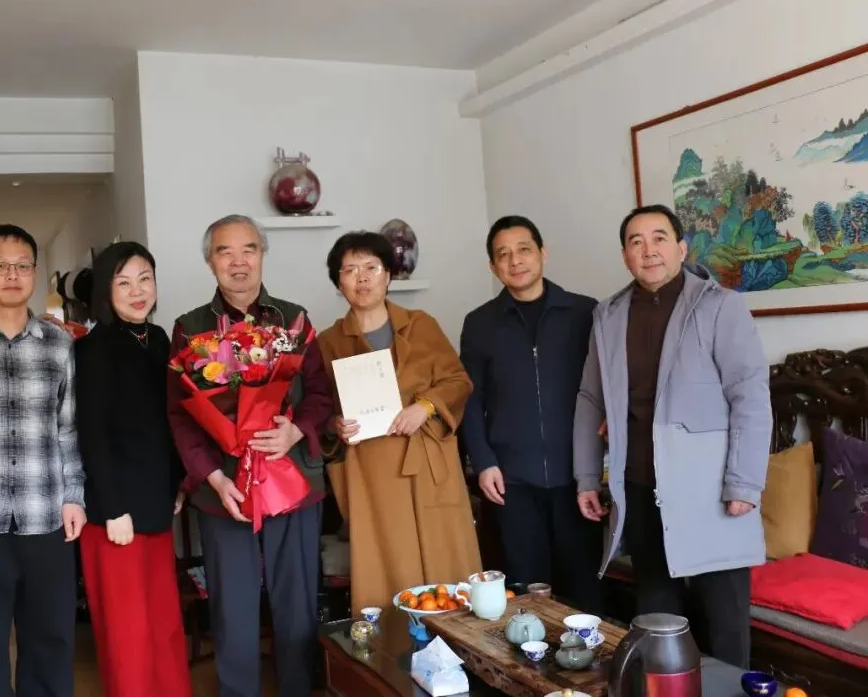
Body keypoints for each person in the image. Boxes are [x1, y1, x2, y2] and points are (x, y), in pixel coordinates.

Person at [574, 204, 770, 668]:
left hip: (710, 488)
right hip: (641, 486)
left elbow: (749, 395)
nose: (649, 250)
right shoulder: (609, 315)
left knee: (724, 620)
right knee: (656, 618)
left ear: (681, 248)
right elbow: (590, 398)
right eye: (636, 242)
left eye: (659, 238)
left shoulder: (721, 306)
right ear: (625, 256)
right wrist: (587, 477)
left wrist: (744, 483)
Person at [166, 214, 333, 697]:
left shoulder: (295, 321)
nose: (238, 262)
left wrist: (295, 431)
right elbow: (179, 414)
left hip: (292, 480)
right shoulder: (190, 329)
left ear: (262, 255)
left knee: (296, 602)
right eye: (225, 251)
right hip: (226, 490)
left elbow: (320, 394)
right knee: (232, 607)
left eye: (249, 249)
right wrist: (212, 477)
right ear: (210, 261)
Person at [0, 224, 86, 697]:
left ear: (34, 274)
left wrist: (74, 497)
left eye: (22, 266)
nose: (11, 275)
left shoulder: (58, 344)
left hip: (45, 513)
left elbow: (67, 427)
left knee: (50, 638)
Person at [317, 231, 481, 614]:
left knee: (447, 563)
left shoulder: (421, 325)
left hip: (429, 465)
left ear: (388, 275)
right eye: (350, 270)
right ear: (338, 281)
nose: (362, 278)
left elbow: (458, 381)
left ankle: (459, 647)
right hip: (372, 473)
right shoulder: (328, 342)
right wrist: (334, 424)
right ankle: (393, 649)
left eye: (371, 268)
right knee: (388, 567)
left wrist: (425, 406)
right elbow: (318, 410)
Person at [459, 216, 603, 612]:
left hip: (578, 478)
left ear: (543, 252)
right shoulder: (480, 323)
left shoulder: (584, 312)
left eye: (524, 250)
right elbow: (470, 398)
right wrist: (483, 462)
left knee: (583, 593)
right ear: (493, 266)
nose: (515, 261)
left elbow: (607, 386)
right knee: (524, 595)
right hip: (511, 481)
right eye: (503, 254)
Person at [74, 241, 192, 697]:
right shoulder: (93, 349)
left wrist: (177, 483)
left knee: (163, 623)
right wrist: (112, 508)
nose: (137, 291)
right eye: (123, 283)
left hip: (155, 504)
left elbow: (168, 419)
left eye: (145, 279)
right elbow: (91, 433)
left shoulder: (159, 339)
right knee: (128, 633)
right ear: (106, 291)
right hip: (115, 514)